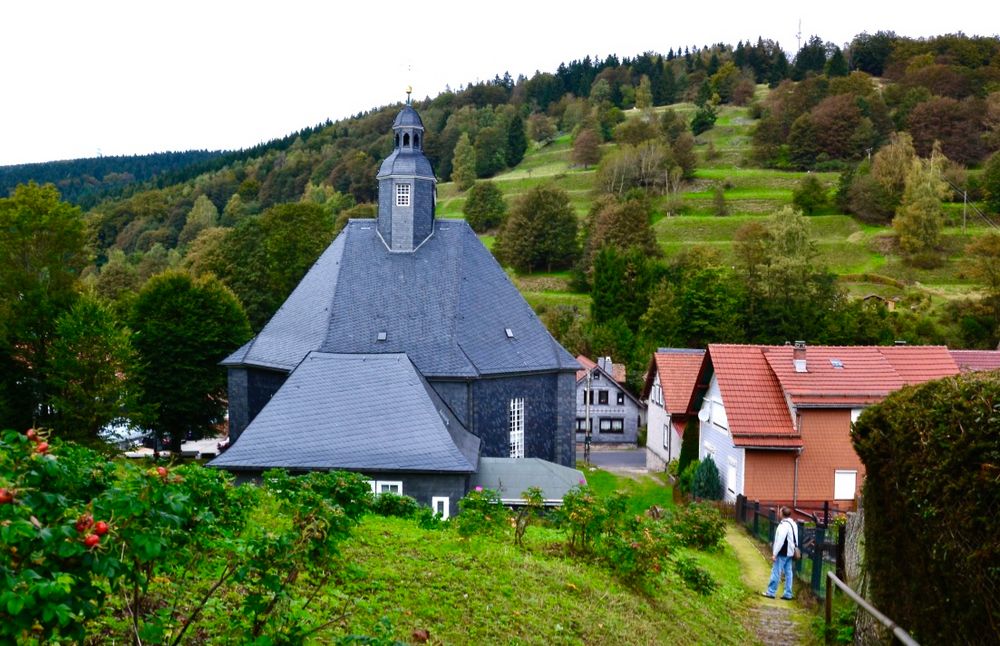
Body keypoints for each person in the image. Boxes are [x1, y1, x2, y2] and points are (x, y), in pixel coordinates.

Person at [763, 506, 798, 600]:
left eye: (779, 512)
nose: (778, 513)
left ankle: (771, 592)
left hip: (782, 552)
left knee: (776, 571)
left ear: (782, 514)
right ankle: (788, 593)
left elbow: (780, 541)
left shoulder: (783, 525)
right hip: (791, 552)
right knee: (788, 573)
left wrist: (774, 553)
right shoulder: (793, 524)